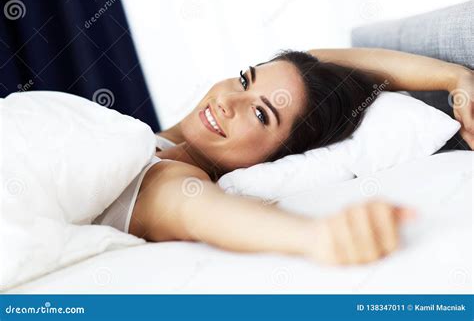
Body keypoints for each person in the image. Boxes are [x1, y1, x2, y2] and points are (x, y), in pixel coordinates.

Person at [93, 48, 473, 265]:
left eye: (261, 114)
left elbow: (195, 211)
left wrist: (318, 237)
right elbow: (320, 62)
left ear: (273, 158)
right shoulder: (154, 137)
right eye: (244, 79)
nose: (228, 102)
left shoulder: (171, 178)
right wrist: (455, 77)